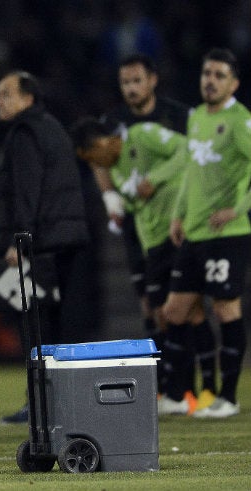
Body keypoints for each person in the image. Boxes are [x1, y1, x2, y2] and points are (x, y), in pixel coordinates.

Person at [70, 117, 215, 410]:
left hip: (180, 233)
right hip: (153, 245)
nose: (96, 165)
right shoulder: (116, 170)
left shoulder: (141, 135)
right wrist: (124, 206)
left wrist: (156, 178)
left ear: (101, 143)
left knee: (189, 309)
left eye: (93, 158)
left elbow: (187, 150)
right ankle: (182, 390)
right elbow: (138, 202)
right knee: (163, 314)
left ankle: (203, 390)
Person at [96, 55, 216, 406]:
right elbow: (99, 160)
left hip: (180, 221)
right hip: (140, 225)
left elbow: (196, 155)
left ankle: (203, 386)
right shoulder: (113, 121)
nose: (130, 88)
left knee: (190, 305)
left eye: (136, 81)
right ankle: (168, 385)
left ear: (153, 80)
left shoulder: (179, 116)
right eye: (124, 83)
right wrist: (109, 199)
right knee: (152, 307)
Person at [0, 71, 89, 424]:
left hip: (41, 244)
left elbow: (26, 190)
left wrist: (20, 240)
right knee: (58, 327)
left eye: (6, 94)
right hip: (65, 239)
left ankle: (40, 403)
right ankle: (59, 401)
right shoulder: (51, 127)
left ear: (27, 98)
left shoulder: (24, 133)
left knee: (35, 327)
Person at [158, 48, 251, 418]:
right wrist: (178, 215)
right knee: (174, 310)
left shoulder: (241, 121)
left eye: (219, 75)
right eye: (206, 73)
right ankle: (180, 395)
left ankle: (227, 397)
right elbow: (192, 173)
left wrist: (238, 209)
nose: (210, 80)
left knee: (226, 307)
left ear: (234, 83)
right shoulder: (196, 117)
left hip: (228, 233)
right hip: (194, 232)